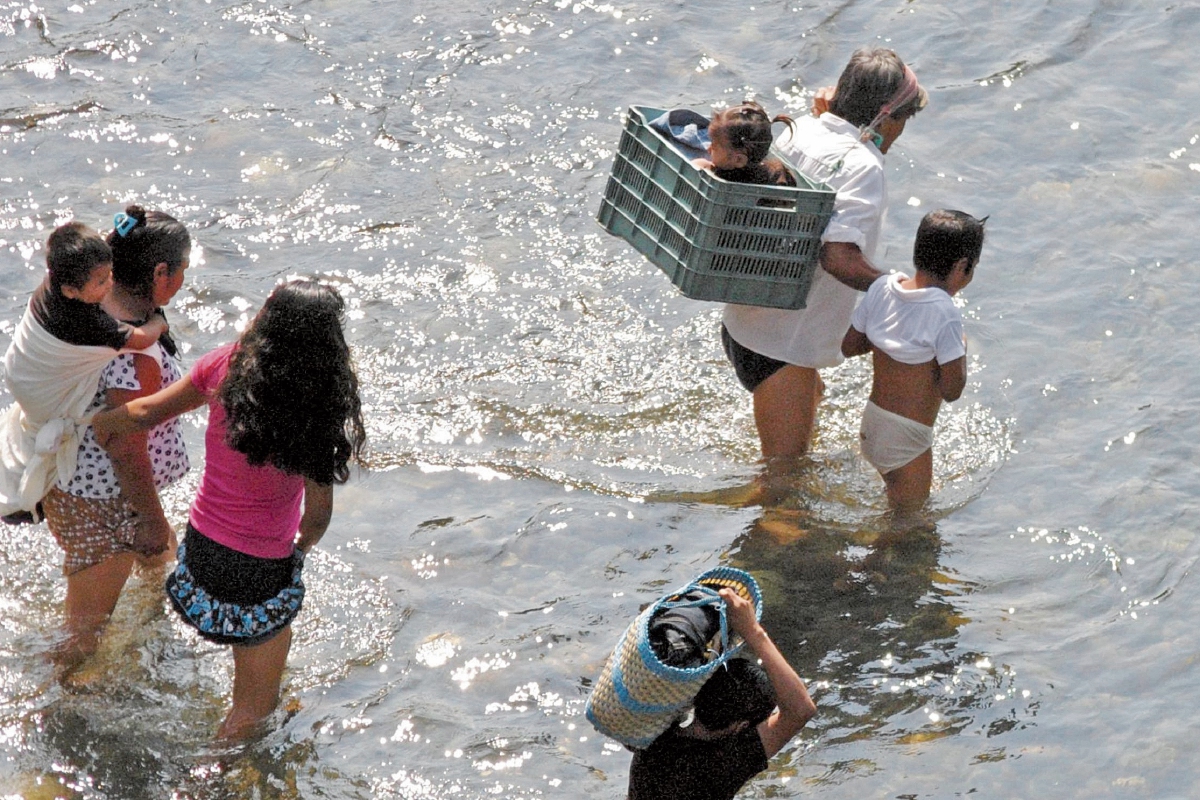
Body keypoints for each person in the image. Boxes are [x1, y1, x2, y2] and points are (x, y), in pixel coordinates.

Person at [92, 280, 367, 739]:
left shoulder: (228, 364)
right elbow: (316, 519)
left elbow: (144, 413)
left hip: (199, 552)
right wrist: (297, 553)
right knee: (252, 713)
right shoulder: (318, 411)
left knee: (263, 680)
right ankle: (203, 785)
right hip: (260, 571)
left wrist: (95, 424)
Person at [721, 48, 927, 461]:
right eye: (903, 120)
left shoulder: (801, 129)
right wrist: (896, 289)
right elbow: (836, 256)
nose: (901, 132)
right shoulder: (863, 166)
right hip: (782, 349)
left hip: (746, 322)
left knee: (815, 399)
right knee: (784, 479)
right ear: (886, 118)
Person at [33, 207, 193, 671]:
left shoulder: (89, 308)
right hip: (106, 502)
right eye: (182, 269)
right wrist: (147, 515)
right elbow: (124, 444)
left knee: (163, 563)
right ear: (161, 273)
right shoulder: (130, 355)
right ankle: (40, 704)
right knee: (82, 637)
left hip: (74, 478)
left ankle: (154, 642)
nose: (184, 278)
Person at [0, 220, 169, 522]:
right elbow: (141, 340)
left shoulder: (53, 283)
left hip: (18, 367)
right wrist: (158, 322)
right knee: (55, 428)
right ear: (70, 290)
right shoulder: (89, 321)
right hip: (38, 390)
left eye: (109, 274)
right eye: (102, 282)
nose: (110, 283)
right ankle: (34, 498)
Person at [840, 209, 985, 509]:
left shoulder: (883, 287)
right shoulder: (944, 312)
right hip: (907, 439)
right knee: (910, 524)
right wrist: (961, 348)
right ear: (963, 267)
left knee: (891, 499)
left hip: (873, 425)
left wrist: (891, 337)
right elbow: (952, 391)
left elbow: (850, 346)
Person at [627, 588, 816, 800]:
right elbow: (801, 710)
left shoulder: (660, 729)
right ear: (742, 726)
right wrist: (753, 631)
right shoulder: (725, 763)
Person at [691, 102, 797, 188]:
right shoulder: (780, 176)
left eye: (714, 146)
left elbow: (696, 166)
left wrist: (702, 165)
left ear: (738, 160)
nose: (708, 148)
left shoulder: (709, 174)